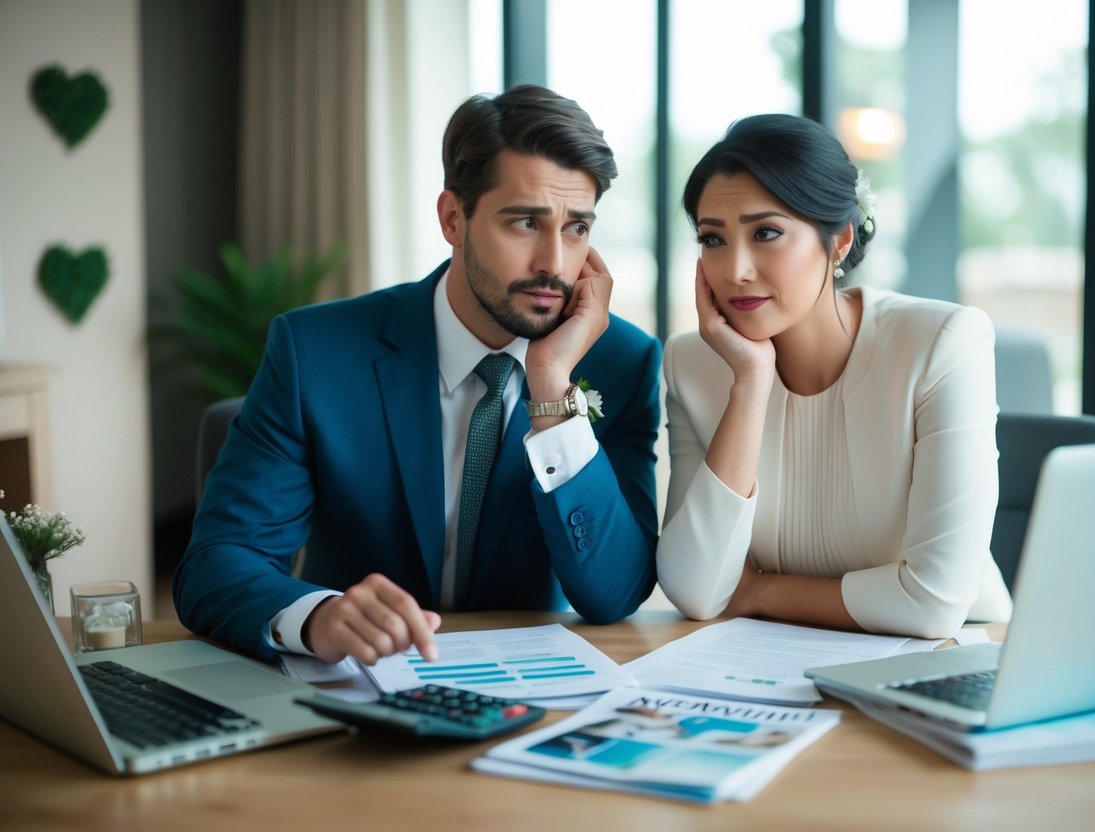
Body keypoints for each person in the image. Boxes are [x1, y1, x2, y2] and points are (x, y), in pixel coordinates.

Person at [174, 85, 661, 664]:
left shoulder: (621, 362)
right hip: (356, 692)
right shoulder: (316, 352)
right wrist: (320, 616)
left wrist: (552, 386)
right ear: (454, 218)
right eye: (525, 223)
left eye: (577, 228)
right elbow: (218, 562)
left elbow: (616, 593)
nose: (554, 265)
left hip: (536, 696)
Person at [656, 114, 1011, 639]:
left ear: (839, 241)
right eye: (714, 240)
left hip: (953, 651)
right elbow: (696, 591)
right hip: (770, 656)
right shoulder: (693, 364)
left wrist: (760, 592)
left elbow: (932, 604)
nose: (735, 271)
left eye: (767, 233)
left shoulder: (943, 343)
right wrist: (751, 382)